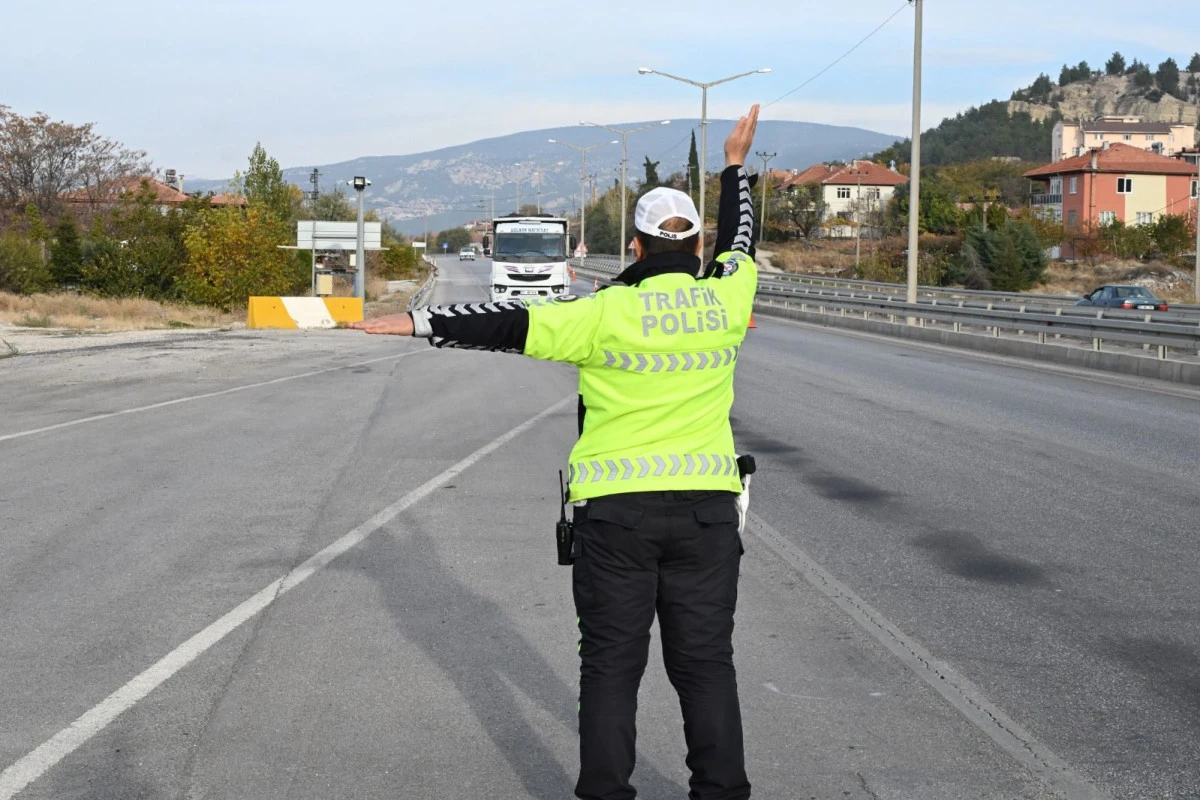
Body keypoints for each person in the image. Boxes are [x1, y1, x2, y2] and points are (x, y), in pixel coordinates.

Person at [351, 105, 761, 800]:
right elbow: (744, 240)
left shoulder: (600, 313)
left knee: (609, 667)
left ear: (632, 249)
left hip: (615, 521)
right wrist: (732, 165)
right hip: (708, 517)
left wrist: (412, 320)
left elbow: (500, 324)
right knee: (705, 667)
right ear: (697, 251)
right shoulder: (728, 297)